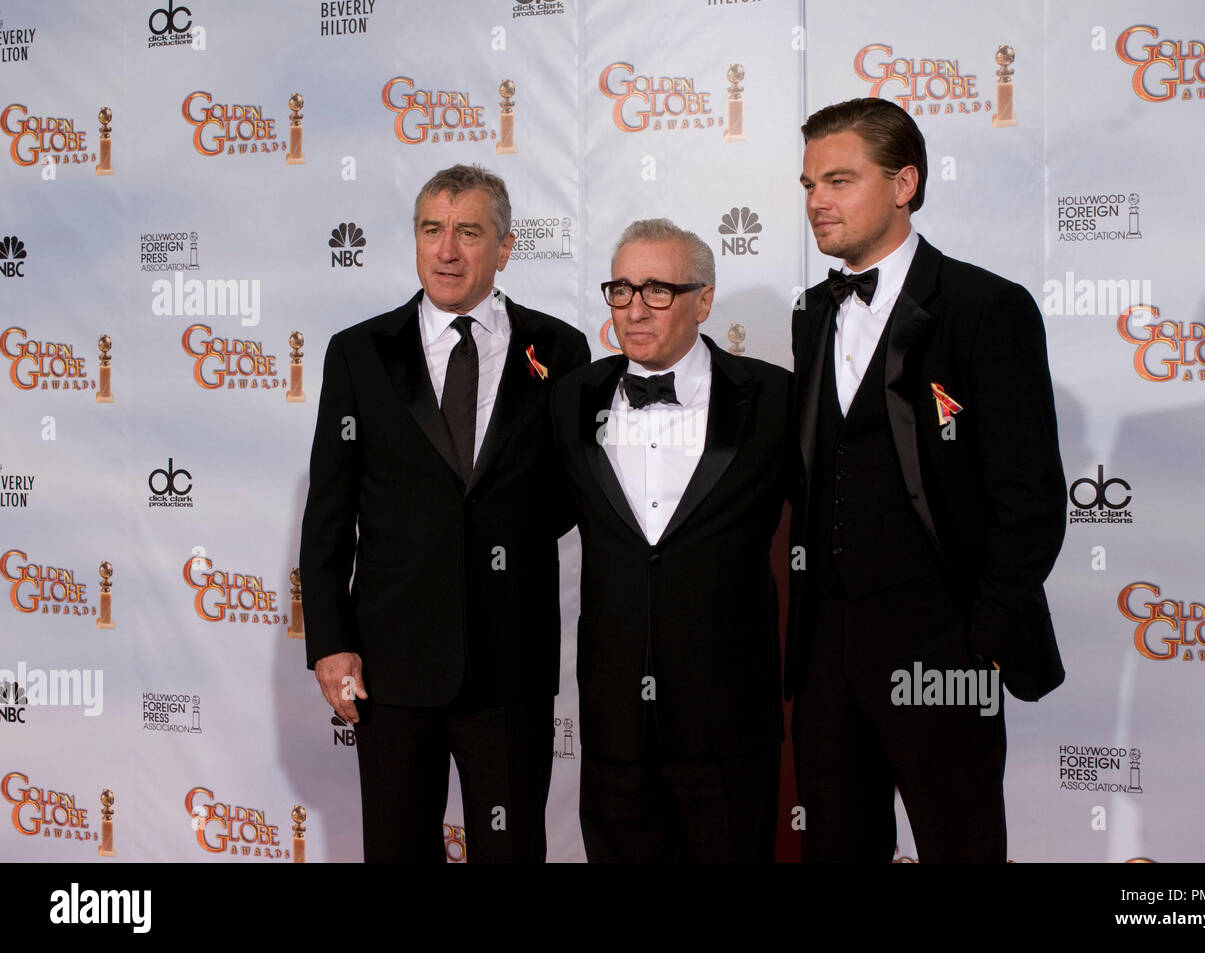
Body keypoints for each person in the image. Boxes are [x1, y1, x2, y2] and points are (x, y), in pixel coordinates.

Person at [787, 98, 1067, 862]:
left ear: (904, 182)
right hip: (826, 656)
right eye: (809, 183)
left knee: (960, 845)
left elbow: (1032, 497)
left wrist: (980, 643)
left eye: (839, 180)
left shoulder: (987, 307)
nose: (817, 201)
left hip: (945, 647)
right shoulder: (812, 313)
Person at [299, 163, 590, 863]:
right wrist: (330, 642)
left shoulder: (559, 349)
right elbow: (329, 511)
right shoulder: (359, 353)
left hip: (509, 665)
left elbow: (568, 494)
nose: (447, 250)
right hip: (392, 667)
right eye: (432, 230)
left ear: (505, 246)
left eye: (468, 232)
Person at [551, 219, 789, 862]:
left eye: (657, 290)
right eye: (621, 290)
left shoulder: (773, 398)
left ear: (703, 300)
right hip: (614, 721)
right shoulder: (572, 397)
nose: (634, 309)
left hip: (729, 721)